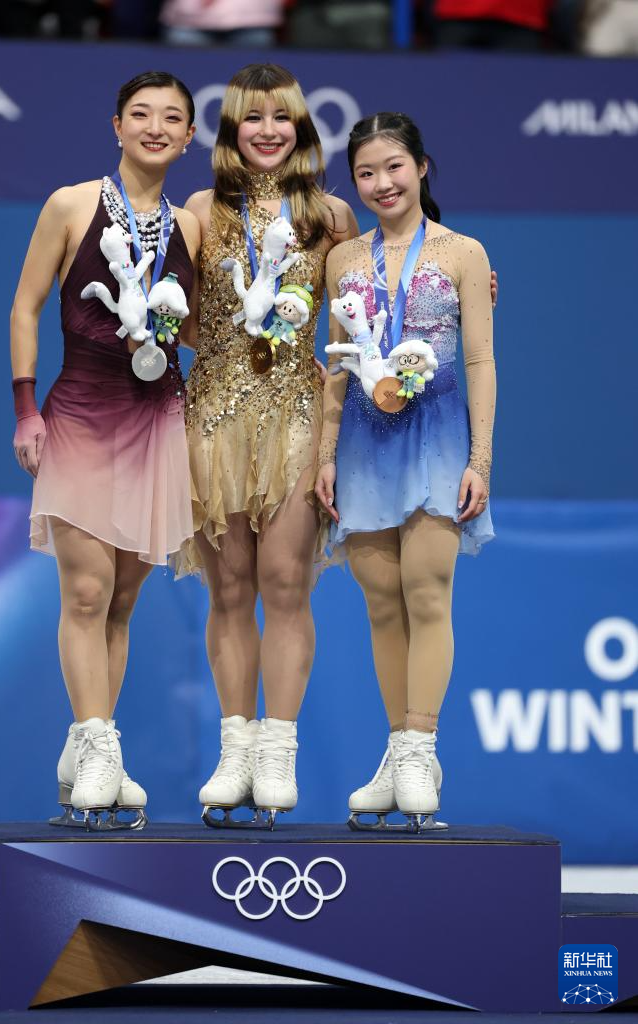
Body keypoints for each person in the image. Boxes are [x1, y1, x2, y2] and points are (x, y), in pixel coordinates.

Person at [9, 71, 200, 826]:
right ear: (116, 126)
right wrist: (25, 409)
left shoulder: (190, 226)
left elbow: (203, 329)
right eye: (141, 114)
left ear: (189, 137)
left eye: (172, 118)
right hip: (81, 415)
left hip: (156, 421)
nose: (156, 127)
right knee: (86, 593)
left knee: (122, 599)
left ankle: (92, 746)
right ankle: (96, 744)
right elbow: (25, 307)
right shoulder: (71, 204)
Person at [175, 63, 359, 826]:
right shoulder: (200, 210)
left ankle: (277, 750)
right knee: (229, 591)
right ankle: (235, 748)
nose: (267, 131)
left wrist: (461, 292)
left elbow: (362, 315)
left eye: (280, 117)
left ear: (301, 127)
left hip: (295, 416)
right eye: (252, 117)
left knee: (285, 585)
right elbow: (174, 313)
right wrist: (225, 344)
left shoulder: (331, 216)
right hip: (214, 417)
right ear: (230, 129)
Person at [315, 112, 495, 831]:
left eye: (393, 166)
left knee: (427, 592)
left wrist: (480, 459)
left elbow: (479, 359)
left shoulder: (463, 253)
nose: (381, 183)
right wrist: (324, 455)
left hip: (438, 439)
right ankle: (397, 756)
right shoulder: (341, 259)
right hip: (363, 444)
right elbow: (335, 365)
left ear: (421, 167)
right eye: (365, 172)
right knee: (381, 603)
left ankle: (420, 750)